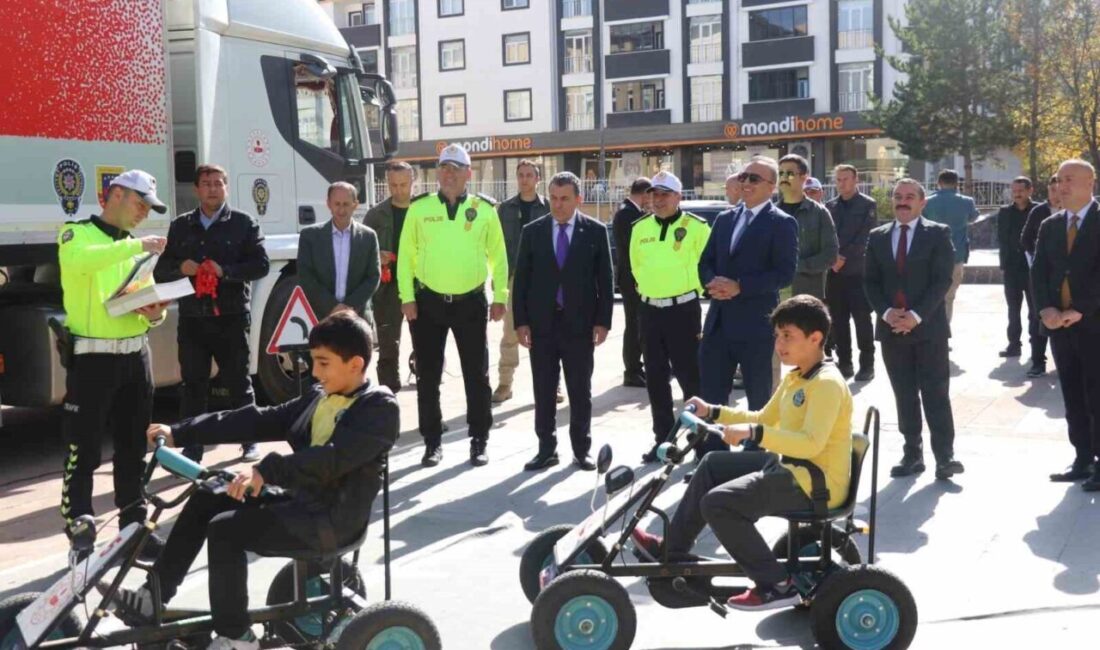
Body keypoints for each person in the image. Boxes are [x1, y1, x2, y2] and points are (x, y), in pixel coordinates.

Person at [103, 312, 399, 650]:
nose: (315, 372)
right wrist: (180, 432)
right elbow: (258, 419)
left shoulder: (379, 409)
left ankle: (237, 637)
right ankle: (153, 597)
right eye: (313, 362)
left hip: (331, 521)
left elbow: (331, 459)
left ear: (355, 364)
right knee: (210, 493)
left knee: (226, 530)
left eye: (323, 363)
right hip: (301, 504)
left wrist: (266, 471)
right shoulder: (320, 396)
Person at [631, 295, 853, 611]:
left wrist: (754, 434)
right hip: (793, 469)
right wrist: (713, 412)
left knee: (719, 504)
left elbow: (810, 444)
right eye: (777, 335)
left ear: (815, 337)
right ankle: (673, 551)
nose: (779, 344)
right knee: (712, 464)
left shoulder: (827, 383)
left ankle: (777, 584)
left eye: (787, 336)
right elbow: (763, 417)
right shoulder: (798, 376)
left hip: (815, 483)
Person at [57, 169, 170, 558]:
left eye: (149, 209)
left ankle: (133, 527)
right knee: (83, 449)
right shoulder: (76, 234)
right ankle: (80, 528)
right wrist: (136, 246)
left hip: (136, 356)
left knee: (133, 447)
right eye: (140, 204)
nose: (144, 214)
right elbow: (81, 262)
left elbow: (146, 302)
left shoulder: (134, 248)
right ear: (116, 195)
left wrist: (156, 313)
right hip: (93, 360)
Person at [398, 144, 508, 467]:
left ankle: (479, 439)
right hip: (428, 303)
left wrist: (500, 296)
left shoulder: (484, 209)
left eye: (455, 169)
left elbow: (499, 257)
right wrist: (407, 297)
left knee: (477, 375)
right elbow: (406, 256)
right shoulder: (419, 209)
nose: (448, 174)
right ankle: (432, 441)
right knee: (428, 376)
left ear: (468, 174)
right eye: (444, 168)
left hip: (470, 303)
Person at [154, 164, 269, 463]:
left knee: (238, 383)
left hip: (231, 317)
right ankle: (192, 447)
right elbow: (161, 269)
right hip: (193, 319)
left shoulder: (244, 223)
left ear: (226, 188)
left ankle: (249, 440)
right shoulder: (181, 226)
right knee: (193, 385)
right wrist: (180, 268)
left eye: (218, 183)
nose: (213, 189)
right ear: (197, 189)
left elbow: (261, 265)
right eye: (206, 184)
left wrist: (225, 271)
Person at [864, 178, 964, 480]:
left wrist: (916, 316)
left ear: (922, 202)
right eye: (898, 196)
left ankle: (945, 457)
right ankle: (912, 453)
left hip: (929, 329)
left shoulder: (938, 233)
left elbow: (942, 280)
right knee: (904, 394)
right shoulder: (878, 236)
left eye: (909, 196)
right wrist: (887, 313)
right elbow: (870, 281)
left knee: (936, 393)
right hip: (891, 329)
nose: (902, 201)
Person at [697, 158, 798, 457]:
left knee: (759, 397)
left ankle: (756, 457)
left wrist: (740, 286)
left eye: (754, 178)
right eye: (743, 177)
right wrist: (712, 282)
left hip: (756, 325)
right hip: (718, 323)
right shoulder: (724, 219)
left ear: (771, 186)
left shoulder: (782, 223)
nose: (746, 183)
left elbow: (784, 274)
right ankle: (712, 456)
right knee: (712, 396)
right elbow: (705, 261)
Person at [512, 172, 613, 471]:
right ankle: (546, 449)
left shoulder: (594, 231)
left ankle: (581, 449)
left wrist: (603, 321)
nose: (558, 205)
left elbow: (605, 281)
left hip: (579, 326)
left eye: (565, 199)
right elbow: (522, 281)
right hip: (541, 326)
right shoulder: (533, 232)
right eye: (554, 198)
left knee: (580, 390)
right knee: (544, 390)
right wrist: (521, 322)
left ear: (578, 199)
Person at [629, 171, 710, 462]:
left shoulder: (697, 227)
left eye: (664, 194)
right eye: (654, 194)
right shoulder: (640, 228)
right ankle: (663, 441)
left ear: (678, 197)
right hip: (650, 311)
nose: (658, 200)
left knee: (691, 378)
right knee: (655, 378)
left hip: (683, 310)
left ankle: (700, 443)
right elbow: (635, 266)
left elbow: (707, 264)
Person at [1032, 159, 1100, 489]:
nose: (1062, 185)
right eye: (1060, 179)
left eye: (1070, 179)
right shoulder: (1050, 225)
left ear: (1091, 183)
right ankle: (1082, 458)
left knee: (1096, 394)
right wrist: (1045, 308)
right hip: (1059, 326)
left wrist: (1081, 309)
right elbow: (1038, 272)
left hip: (1094, 324)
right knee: (1072, 394)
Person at [494, 159, 555, 404]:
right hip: (513, 277)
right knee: (510, 334)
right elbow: (496, 246)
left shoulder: (549, 206)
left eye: (529, 175)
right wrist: (498, 281)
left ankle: (552, 385)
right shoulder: (505, 209)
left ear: (538, 179)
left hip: (542, 279)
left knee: (546, 334)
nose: (525, 179)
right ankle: (505, 384)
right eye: (521, 175)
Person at [297, 182, 381, 323]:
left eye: (346, 204)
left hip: (357, 319)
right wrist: (331, 306)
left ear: (355, 204)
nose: (341, 210)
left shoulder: (368, 237)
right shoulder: (310, 236)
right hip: (322, 318)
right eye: (337, 204)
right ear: (328, 204)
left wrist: (349, 307)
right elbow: (305, 276)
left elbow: (373, 276)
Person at [366, 161, 416, 392]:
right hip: (388, 287)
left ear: (412, 181)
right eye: (393, 185)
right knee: (387, 344)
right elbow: (363, 249)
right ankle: (388, 392)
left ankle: (427, 386)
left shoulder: (424, 211)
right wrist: (377, 256)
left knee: (425, 342)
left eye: (403, 184)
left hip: (420, 286)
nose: (398, 190)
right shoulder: (376, 215)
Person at [825, 164, 877, 381]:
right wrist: (832, 259)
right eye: (838, 179)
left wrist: (842, 258)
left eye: (846, 179)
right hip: (834, 274)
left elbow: (866, 236)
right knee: (838, 321)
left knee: (862, 320)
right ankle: (845, 363)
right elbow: (826, 236)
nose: (842, 183)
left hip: (857, 272)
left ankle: (867, 365)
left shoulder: (867, 205)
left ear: (856, 180)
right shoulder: (830, 206)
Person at [776, 154, 838, 299]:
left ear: (804, 177)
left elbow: (830, 255)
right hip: (775, 295)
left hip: (807, 295)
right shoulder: (770, 213)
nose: (784, 178)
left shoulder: (819, 213)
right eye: (780, 173)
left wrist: (797, 266)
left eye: (790, 173)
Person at [611, 177, 651, 388]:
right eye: (650, 196)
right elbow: (633, 250)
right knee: (634, 325)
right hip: (631, 279)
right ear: (644, 194)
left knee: (639, 324)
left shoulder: (631, 212)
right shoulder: (627, 214)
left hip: (634, 278)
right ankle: (632, 370)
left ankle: (637, 367)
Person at [923, 169, 977, 324]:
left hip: (931, 256)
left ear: (938, 183)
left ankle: (929, 328)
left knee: (930, 295)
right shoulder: (967, 202)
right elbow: (973, 217)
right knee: (949, 296)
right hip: (956, 255)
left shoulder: (927, 202)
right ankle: (944, 330)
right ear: (957, 183)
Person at [1019, 174, 1060, 377]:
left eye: (1059, 190)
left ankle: (1066, 362)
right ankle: (1037, 362)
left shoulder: (1076, 212)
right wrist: (1036, 260)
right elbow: (1026, 239)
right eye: (1052, 190)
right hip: (1042, 275)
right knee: (1039, 317)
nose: (1056, 194)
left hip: (1068, 277)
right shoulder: (1039, 212)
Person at [996, 176, 1040, 363]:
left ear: (1030, 190)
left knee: (1034, 310)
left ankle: (1036, 346)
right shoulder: (1005, 212)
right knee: (1013, 309)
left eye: (1020, 190)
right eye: (1014, 191)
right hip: (1012, 268)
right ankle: (1014, 344)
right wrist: (1004, 264)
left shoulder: (1038, 211)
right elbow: (1002, 239)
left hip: (1033, 269)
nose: (1017, 194)